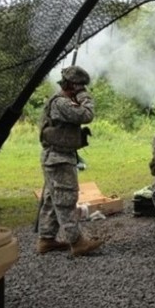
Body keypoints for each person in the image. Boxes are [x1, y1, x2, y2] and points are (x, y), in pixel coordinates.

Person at [37, 65, 103, 256]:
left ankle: (46, 239)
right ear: (74, 86)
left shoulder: (61, 101)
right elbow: (86, 115)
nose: (83, 90)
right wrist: (84, 97)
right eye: (81, 87)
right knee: (66, 199)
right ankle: (77, 242)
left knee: (52, 199)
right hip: (58, 158)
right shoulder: (61, 103)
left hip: (57, 156)